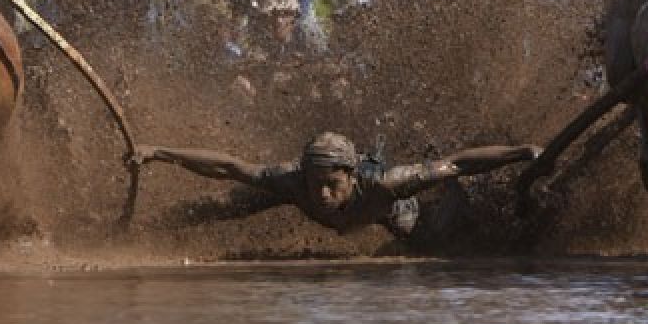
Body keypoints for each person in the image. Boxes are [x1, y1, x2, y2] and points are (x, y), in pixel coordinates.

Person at [132, 132, 541, 244]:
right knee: (225, 203)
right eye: (315, 186)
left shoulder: (383, 186)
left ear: (351, 176)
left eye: (332, 185)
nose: (323, 196)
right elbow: (229, 167)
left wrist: (523, 151)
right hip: (285, 188)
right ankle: (144, 227)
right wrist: (160, 152)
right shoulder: (293, 183)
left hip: (397, 220)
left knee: (437, 239)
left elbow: (459, 163)